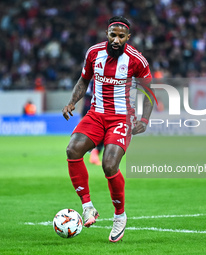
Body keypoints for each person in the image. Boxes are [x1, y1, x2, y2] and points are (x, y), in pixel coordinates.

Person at [62, 16, 154, 242]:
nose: (116, 40)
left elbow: (149, 91)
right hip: (96, 114)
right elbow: (84, 80)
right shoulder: (94, 53)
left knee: (109, 164)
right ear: (107, 34)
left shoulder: (136, 60)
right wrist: (73, 102)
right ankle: (88, 207)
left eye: (121, 36)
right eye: (113, 35)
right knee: (72, 150)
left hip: (121, 118)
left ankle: (120, 216)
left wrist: (144, 119)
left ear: (128, 38)